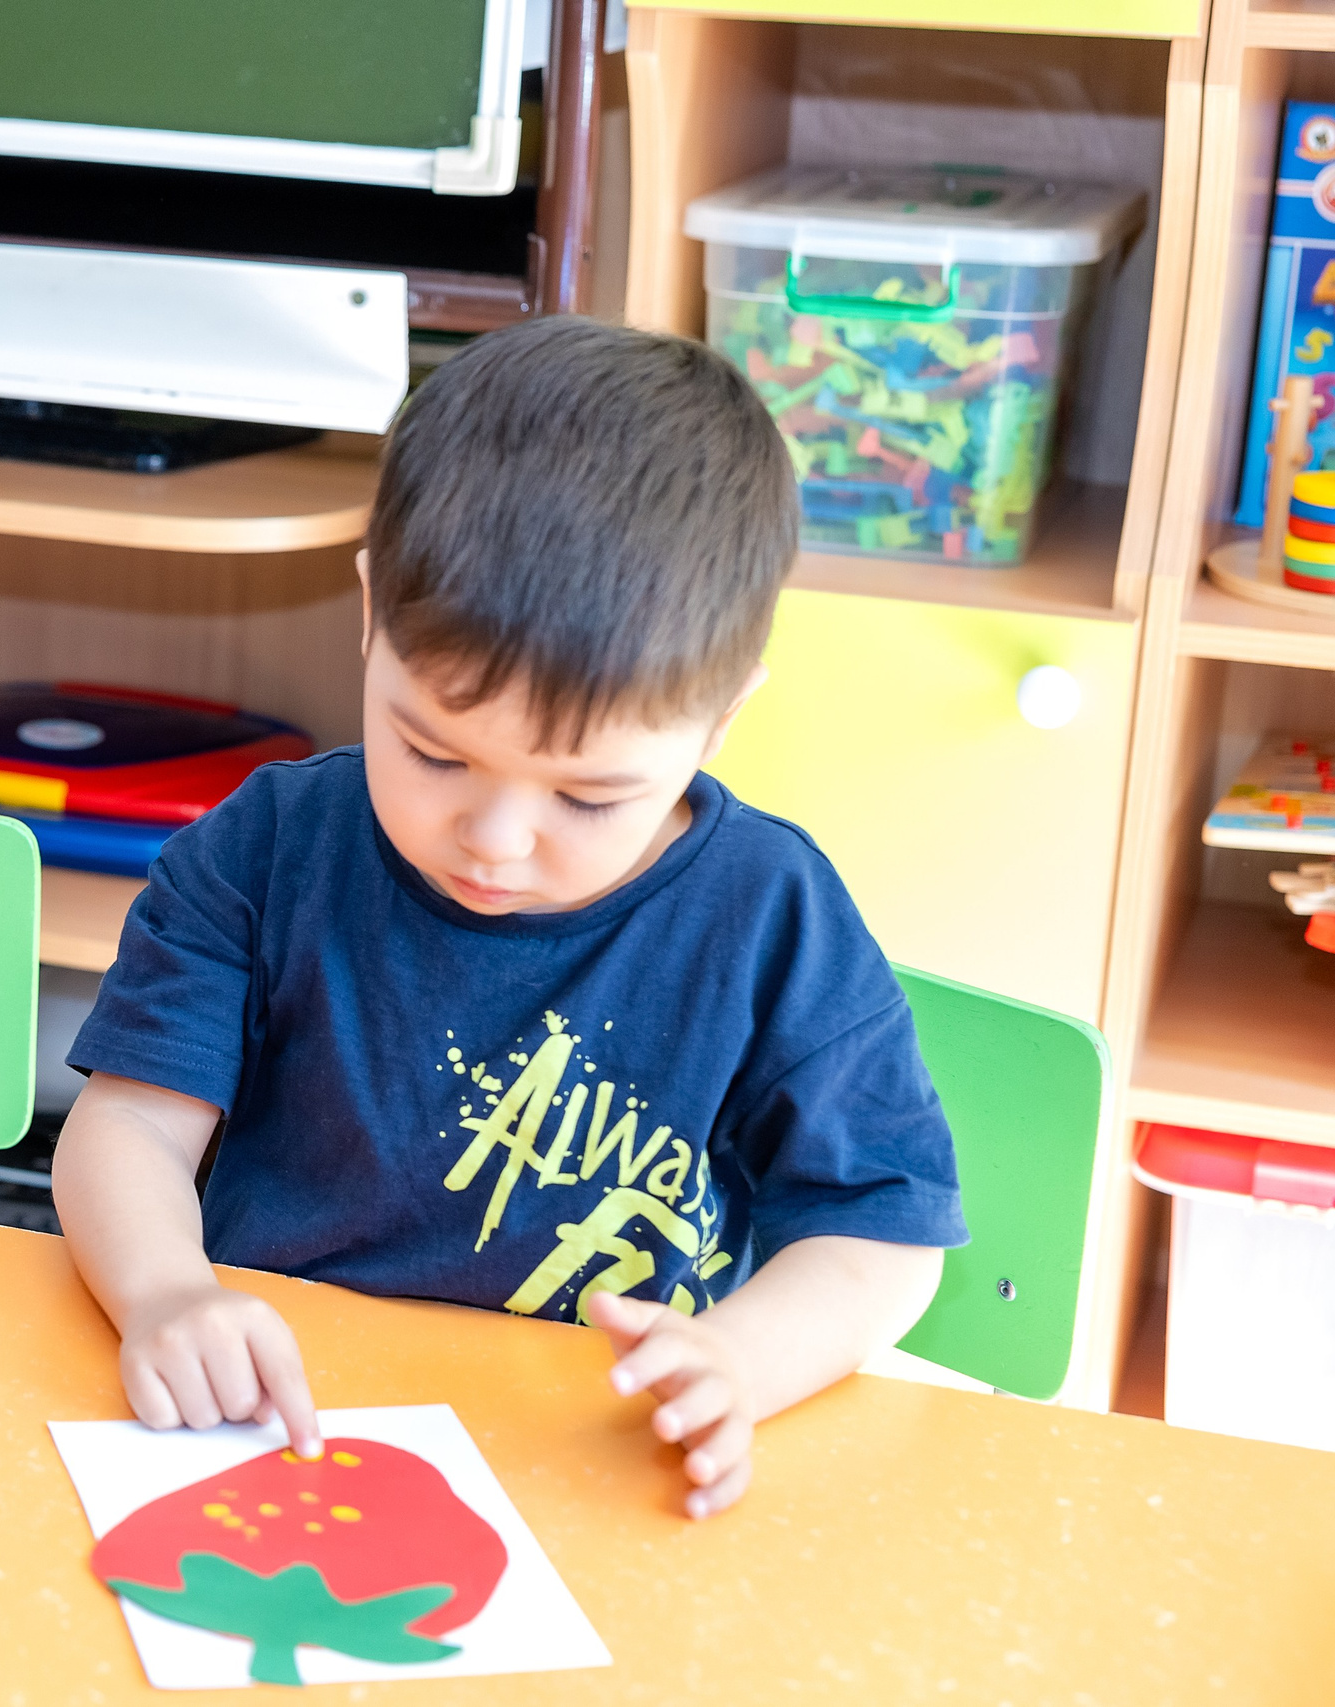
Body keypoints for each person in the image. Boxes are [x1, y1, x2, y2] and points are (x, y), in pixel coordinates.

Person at [51, 316, 967, 1517]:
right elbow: (127, 1127)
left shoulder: (768, 917)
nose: (494, 837)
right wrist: (166, 1291)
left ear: (720, 716)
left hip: (588, 1454)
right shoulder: (267, 847)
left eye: (589, 795)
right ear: (371, 610)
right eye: (431, 753)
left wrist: (743, 1360)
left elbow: (879, 1235)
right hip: (280, 1424)